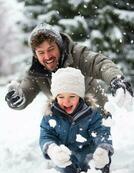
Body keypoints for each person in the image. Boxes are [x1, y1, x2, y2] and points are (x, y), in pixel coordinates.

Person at [5, 22, 133, 110]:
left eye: (51, 49)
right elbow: (26, 92)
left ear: (60, 47)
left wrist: (116, 79)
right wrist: (17, 99)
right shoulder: (36, 72)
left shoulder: (77, 55)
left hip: (95, 114)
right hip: (65, 121)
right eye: (41, 52)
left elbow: (100, 64)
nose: (47, 56)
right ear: (35, 55)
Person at [39, 67, 114, 173]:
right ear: (55, 97)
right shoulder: (50, 115)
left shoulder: (91, 113)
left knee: (99, 169)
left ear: (80, 96)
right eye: (61, 96)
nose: (66, 101)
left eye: (72, 96)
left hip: (89, 155)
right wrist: (52, 149)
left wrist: (103, 148)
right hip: (66, 157)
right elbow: (46, 135)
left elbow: (101, 131)